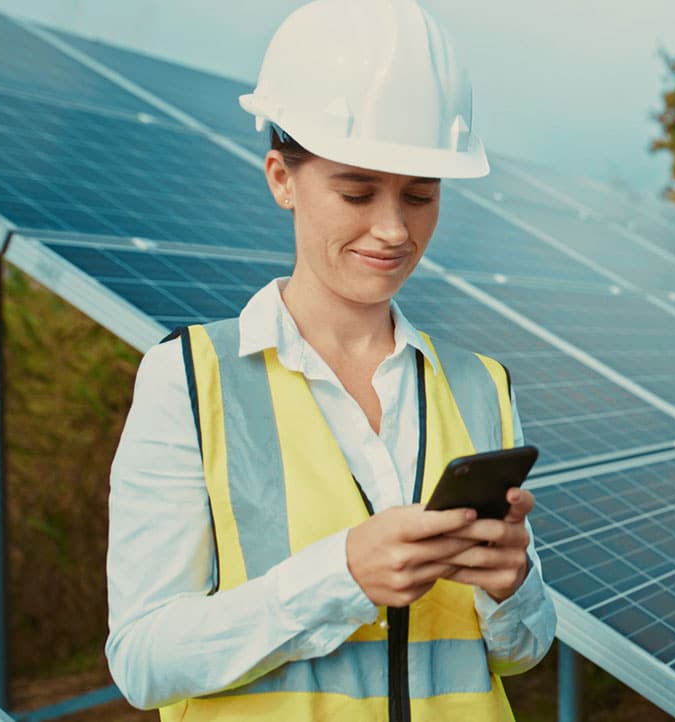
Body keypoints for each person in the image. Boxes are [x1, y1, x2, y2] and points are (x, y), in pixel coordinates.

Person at [105, 1, 557, 720]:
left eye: (421, 196)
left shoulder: (481, 385)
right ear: (282, 177)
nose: (393, 229)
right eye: (356, 192)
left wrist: (513, 587)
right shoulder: (190, 379)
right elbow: (142, 660)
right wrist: (340, 575)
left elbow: (519, 653)